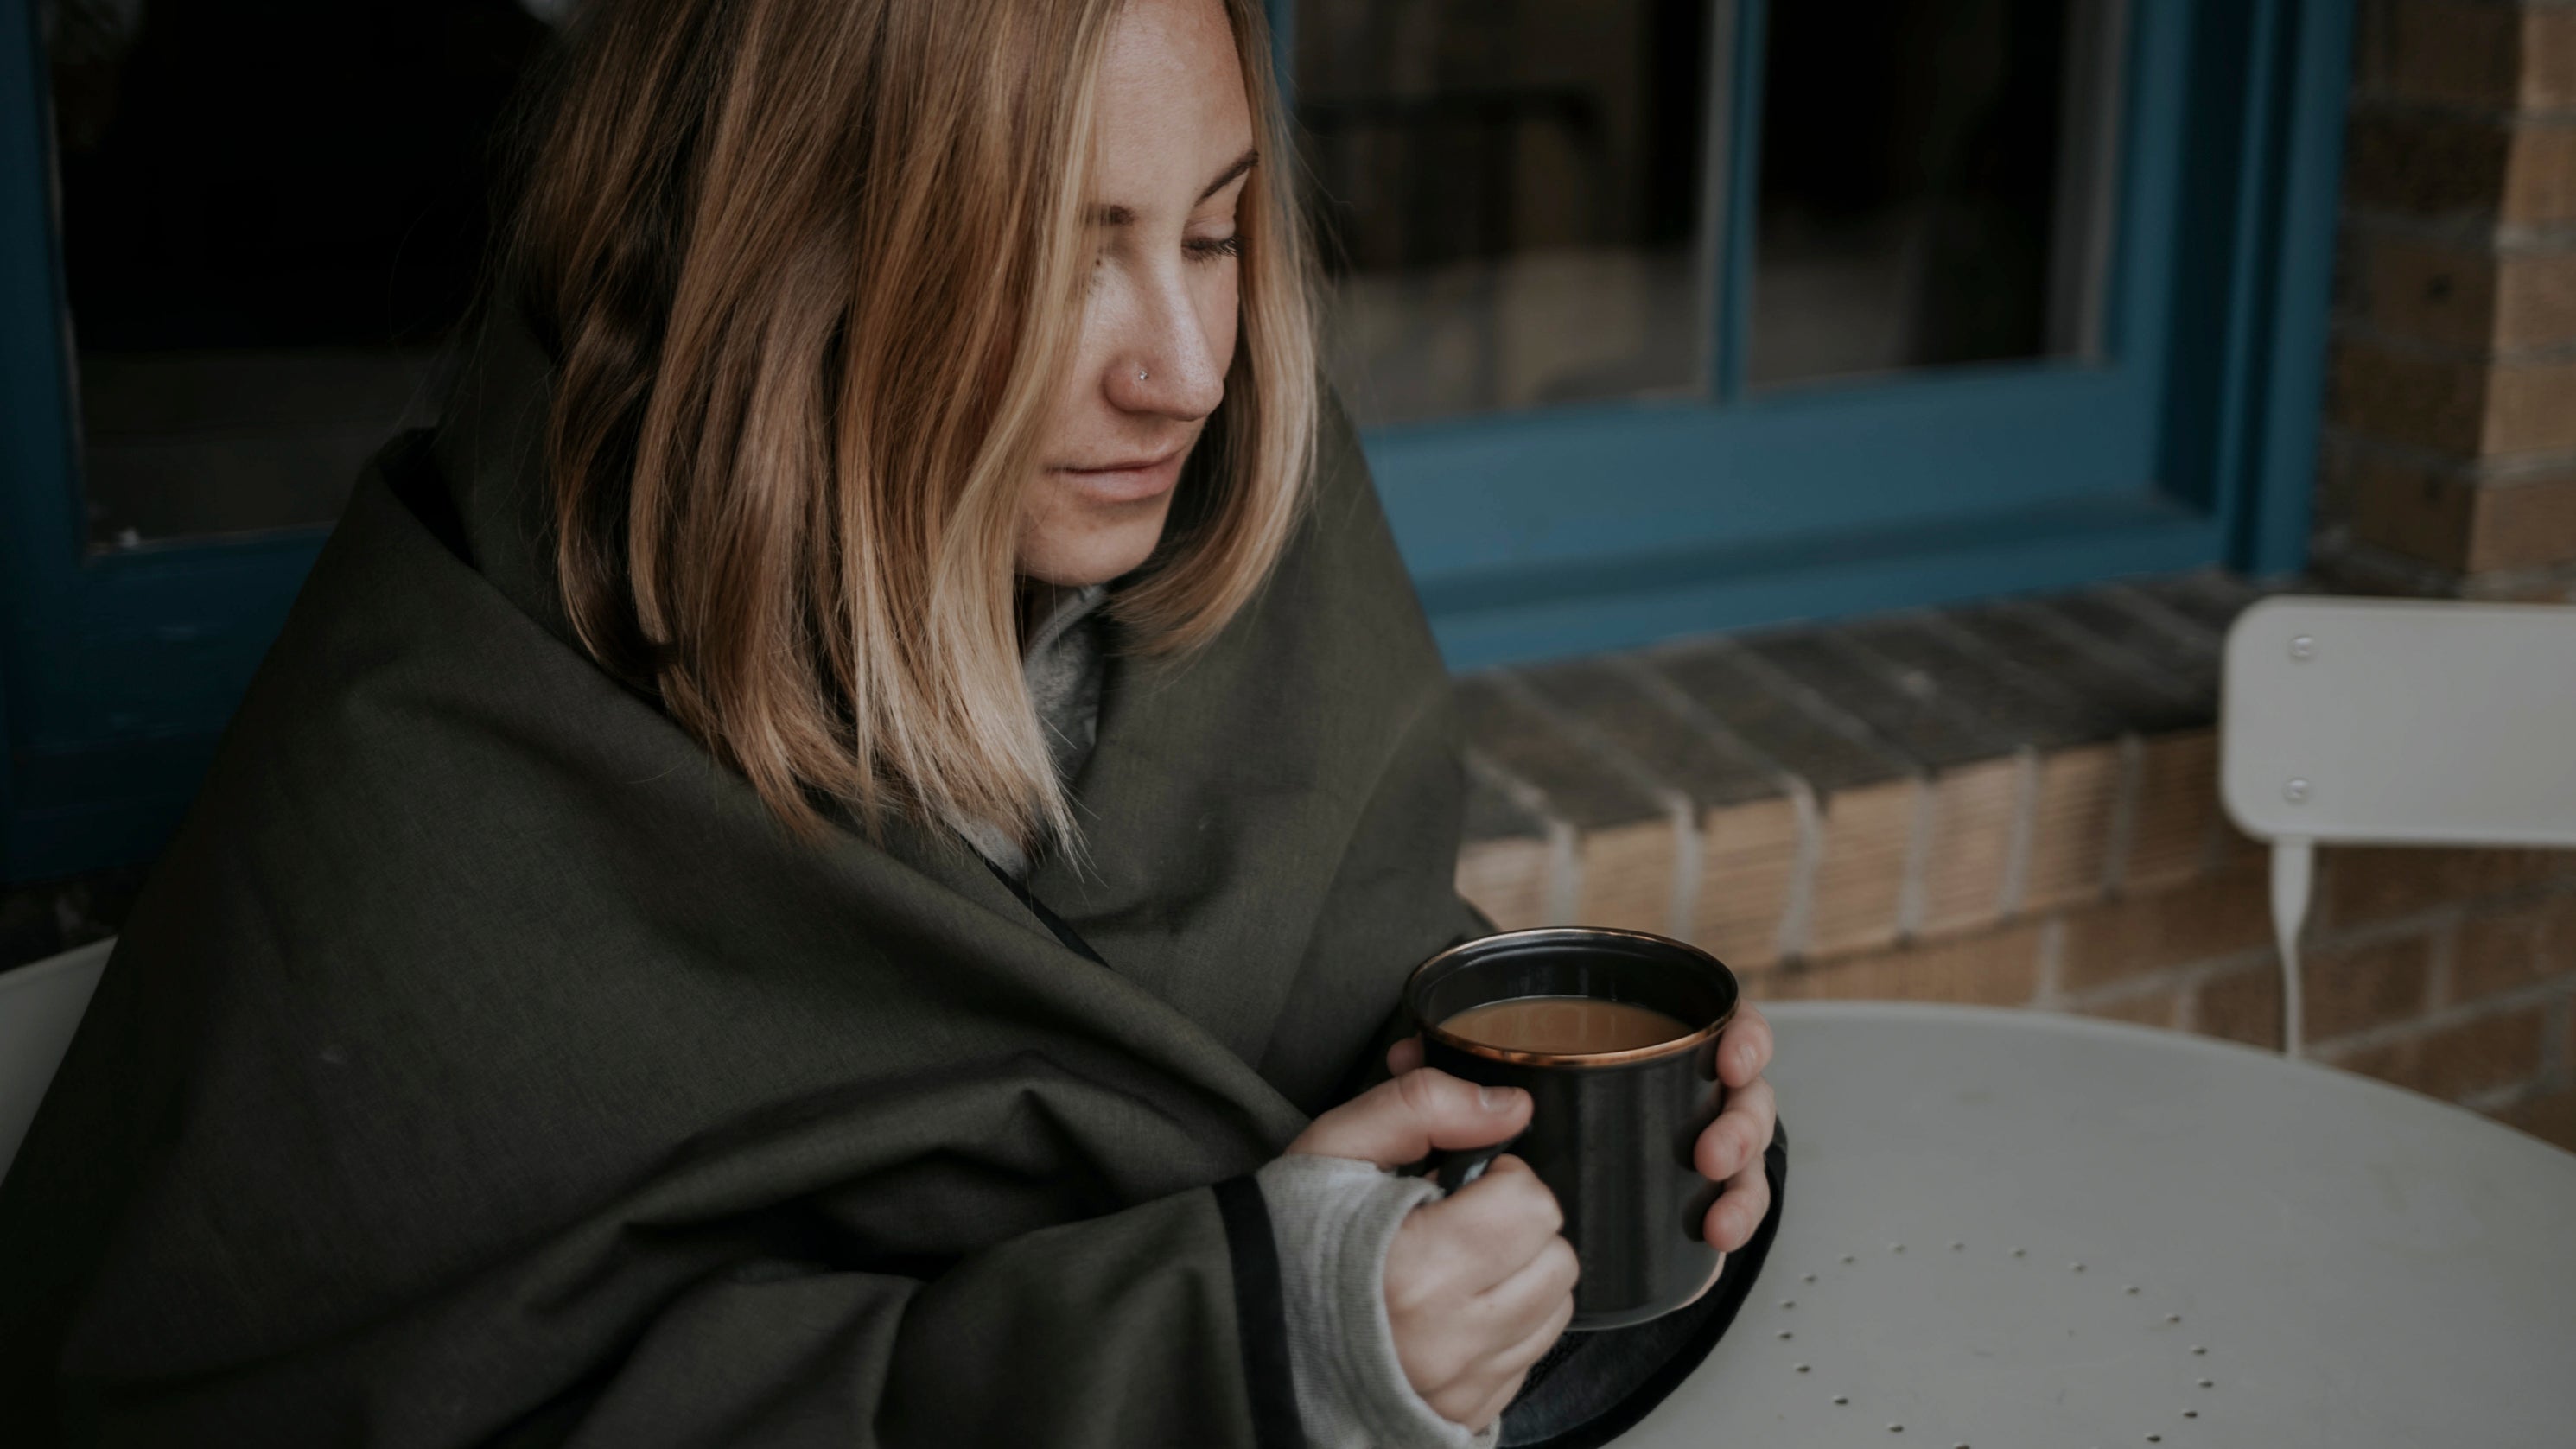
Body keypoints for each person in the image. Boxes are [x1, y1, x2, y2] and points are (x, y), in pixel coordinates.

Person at [0, 0, 1782, 1444]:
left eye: (1221, 230)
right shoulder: (447, 769)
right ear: (795, 263)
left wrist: (1533, 1147)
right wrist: (1230, 1341)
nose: (1188, 367)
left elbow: (1263, 1004)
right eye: (1066, 257)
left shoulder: (1255, 547)